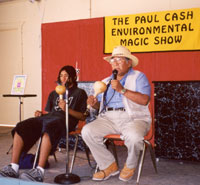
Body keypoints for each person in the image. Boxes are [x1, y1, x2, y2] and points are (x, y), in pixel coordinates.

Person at [0, 65, 88, 182]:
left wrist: (66, 109)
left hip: (65, 121)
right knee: (21, 126)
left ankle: (39, 171)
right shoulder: (54, 93)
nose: (63, 78)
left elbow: (82, 116)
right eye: (61, 76)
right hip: (49, 118)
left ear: (74, 77)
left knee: (49, 127)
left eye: (66, 75)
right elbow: (50, 113)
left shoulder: (80, 93)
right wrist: (41, 113)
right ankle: (14, 167)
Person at [81, 45, 151, 182]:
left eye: (119, 60)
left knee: (134, 137)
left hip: (134, 118)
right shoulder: (105, 81)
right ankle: (108, 165)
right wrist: (93, 102)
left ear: (129, 62)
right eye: (113, 60)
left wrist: (122, 90)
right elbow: (99, 106)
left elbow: (144, 100)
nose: (115, 63)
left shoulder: (139, 77)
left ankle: (130, 166)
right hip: (108, 118)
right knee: (87, 131)